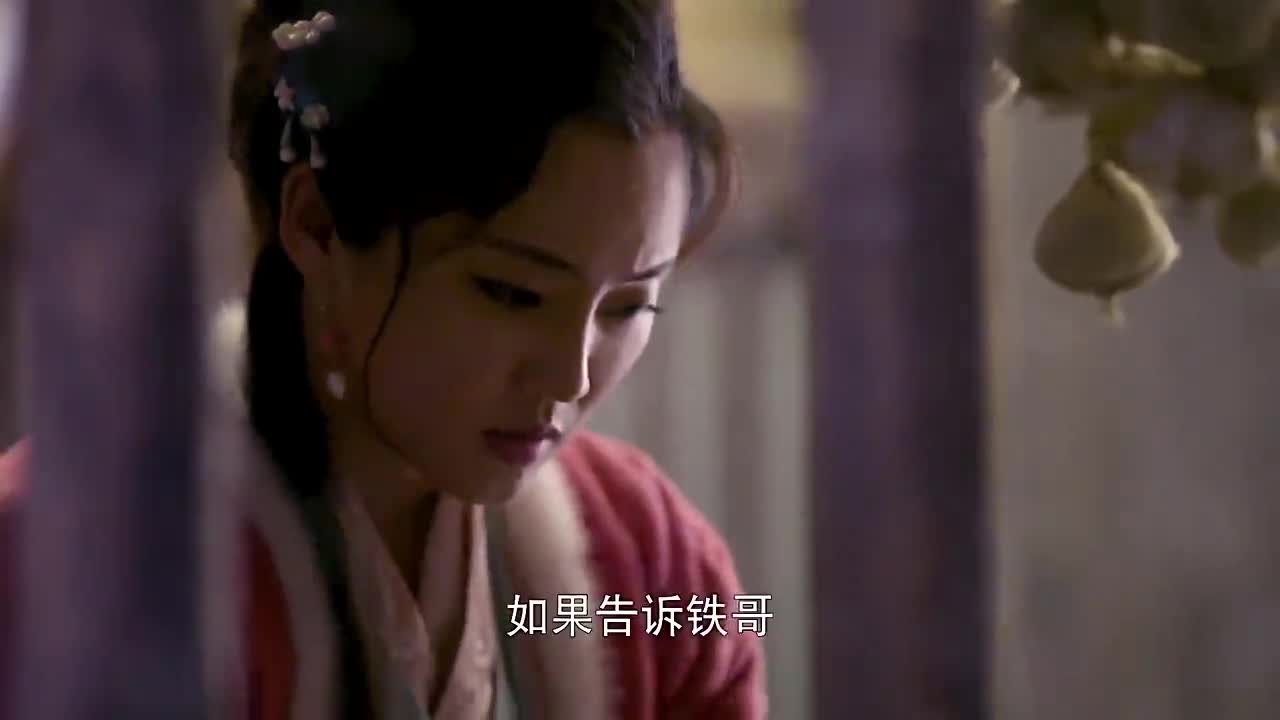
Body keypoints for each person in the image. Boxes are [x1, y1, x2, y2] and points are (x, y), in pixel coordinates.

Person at [0, 0, 766, 718]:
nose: (573, 377)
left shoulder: (648, 560)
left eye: (629, 308)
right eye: (513, 293)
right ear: (318, 227)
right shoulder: (70, 559)